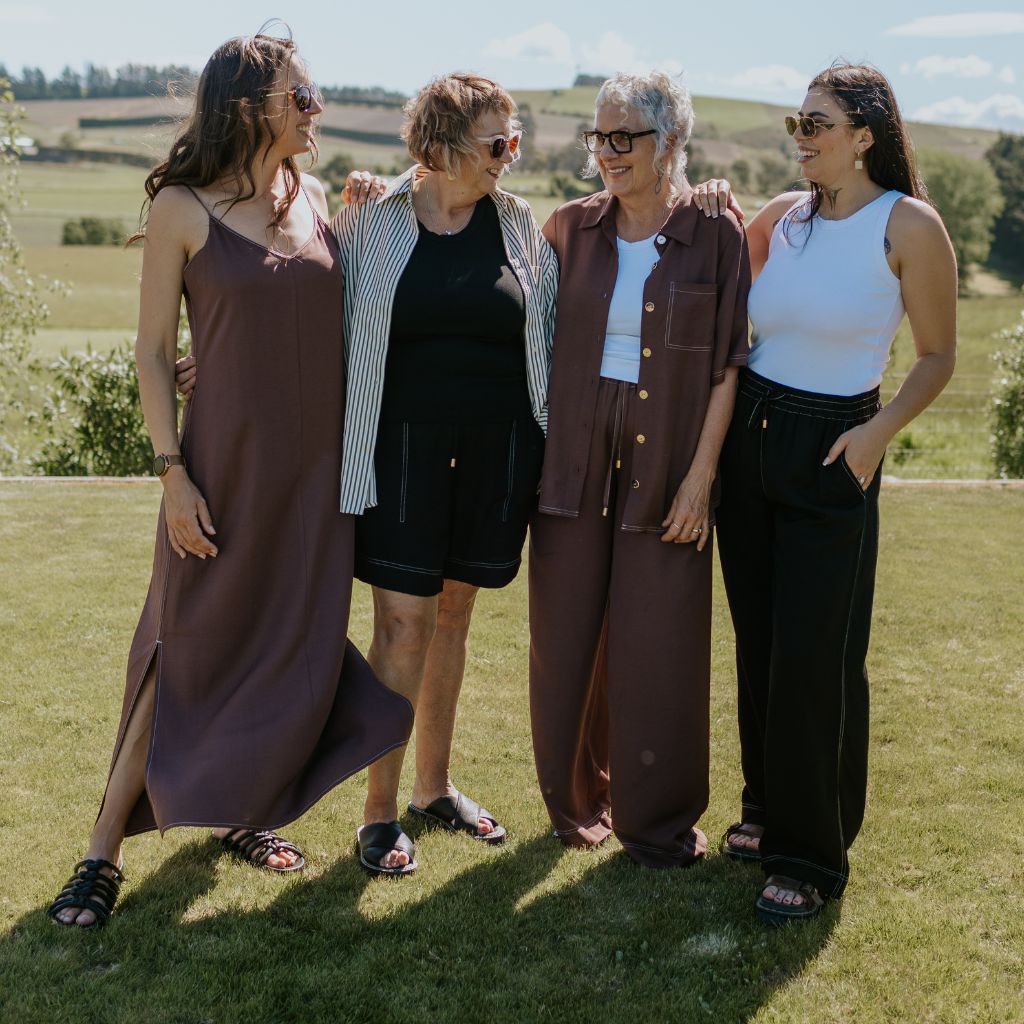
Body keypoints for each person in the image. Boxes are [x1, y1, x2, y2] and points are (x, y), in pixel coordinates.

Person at [47, 31, 413, 929]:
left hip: (315, 482)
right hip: (220, 470)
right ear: (254, 107)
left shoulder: (318, 198)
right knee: (182, 644)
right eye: (303, 96)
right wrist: (172, 472)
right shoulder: (182, 207)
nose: (317, 110)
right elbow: (150, 352)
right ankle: (102, 851)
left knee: (286, 645)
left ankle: (245, 813)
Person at [694, 63, 956, 923]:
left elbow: (937, 356)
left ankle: (810, 857)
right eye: (796, 123)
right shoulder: (783, 218)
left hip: (836, 443)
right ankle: (768, 810)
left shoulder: (909, 224)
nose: (801, 137)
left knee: (818, 655)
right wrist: (711, 203)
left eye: (817, 123)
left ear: (864, 135)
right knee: (762, 642)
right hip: (753, 437)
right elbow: (721, 285)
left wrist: (877, 435)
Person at [332, 74, 557, 875]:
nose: (510, 155)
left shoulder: (519, 222)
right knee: (403, 626)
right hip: (398, 453)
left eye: (514, 139)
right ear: (441, 145)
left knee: (454, 618)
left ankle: (433, 789)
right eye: (497, 142)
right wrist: (212, 362)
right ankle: (378, 812)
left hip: (496, 454)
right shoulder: (371, 218)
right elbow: (308, 312)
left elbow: (550, 332)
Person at [528, 71, 750, 868]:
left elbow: (727, 366)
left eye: (625, 136)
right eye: (600, 136)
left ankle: (656, 822)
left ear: (672, 141)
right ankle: (574, 804)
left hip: (670, 458)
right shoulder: (567, 227)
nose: (608, 152)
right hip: (573, 456)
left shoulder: (716, 233)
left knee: (660, 640)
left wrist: (700, 479)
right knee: (564, 637)